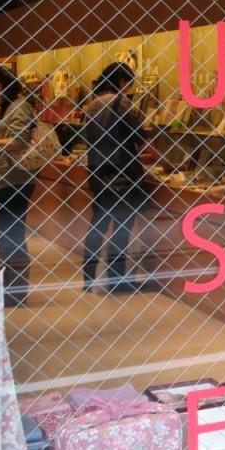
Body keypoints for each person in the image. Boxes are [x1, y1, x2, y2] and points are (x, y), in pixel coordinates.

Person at [81, 63, 152, 294]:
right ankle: (117, 279)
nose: (128, 88)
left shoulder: (91, 105)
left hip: (98, 172)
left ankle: (88, 278)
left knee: (98, 226)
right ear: (121, 81)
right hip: (121, 173)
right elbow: (137, 134)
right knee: (121, 227)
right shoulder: (118, 102)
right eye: (128, 83)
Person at [0, 66, 40, 308]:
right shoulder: (8, 106)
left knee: (12, 235)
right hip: (5, 179)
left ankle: (16, 292)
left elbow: (18, 142)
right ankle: (10, 289)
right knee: (6, 234)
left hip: (15, 180)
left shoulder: (19, 107)